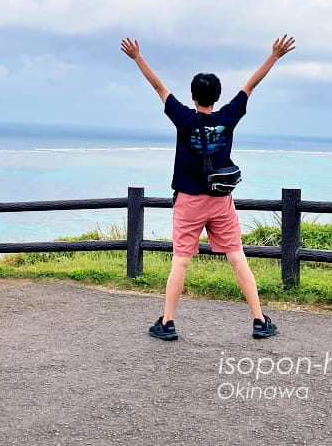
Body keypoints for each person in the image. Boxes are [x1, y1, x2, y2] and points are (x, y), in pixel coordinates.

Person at [120, 34, 296, 340]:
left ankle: (168, 322)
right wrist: (274, 56)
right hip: (220, 200)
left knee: (181, 260)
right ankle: (259, 320)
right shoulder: (228, 117)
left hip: (189, 201)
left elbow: (158, 87)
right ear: (216, 96)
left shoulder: (184, 118)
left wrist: (137, 58)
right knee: (236, 255)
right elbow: (250, 86)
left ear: (192, 96)